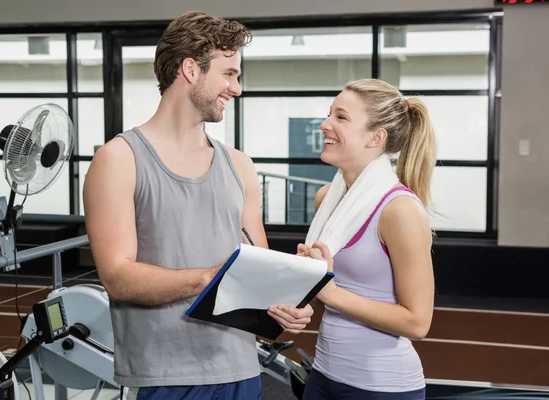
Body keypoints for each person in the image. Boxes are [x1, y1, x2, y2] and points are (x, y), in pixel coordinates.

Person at [82, 10, 313, 400]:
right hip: (165, 378)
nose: (236, 88)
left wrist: (288, 302)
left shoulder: (240, 165)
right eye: (229, 74)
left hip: (241, 368)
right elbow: (118, 278)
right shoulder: (119, 160)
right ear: (191, 69)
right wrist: (207, 279)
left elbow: (259, 269)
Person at [297, 78, 437, 400]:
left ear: (376, 137)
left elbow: (418, 323)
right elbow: (326, 290)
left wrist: (330, 293)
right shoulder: (326, 199)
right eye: (329, 114)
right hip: (323, 374)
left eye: (341, 117)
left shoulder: (399, 210)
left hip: (383, 387)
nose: (324, 124)